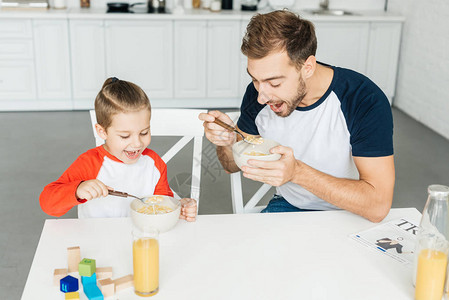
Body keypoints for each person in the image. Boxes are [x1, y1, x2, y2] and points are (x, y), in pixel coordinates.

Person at [199, 10, 395, 223]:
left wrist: (297, 173)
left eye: (274, 83)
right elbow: (232, 165)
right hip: (289, 206)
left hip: (352, 212)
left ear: (307, 67)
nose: (262, 97)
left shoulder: (363, 99)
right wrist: (227, 142)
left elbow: (377, 205)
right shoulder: (256, 95)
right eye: (255, 80)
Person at [40, 77, 197, 221]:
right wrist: (77, 190)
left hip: (142, 240)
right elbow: (47, 203)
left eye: (144, 133)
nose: (137, 144)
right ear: (102, 132)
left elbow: (163, 202)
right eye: (124, 136)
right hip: (98, 242)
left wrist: (179, 207)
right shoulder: (89, 163)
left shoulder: (154, 163)